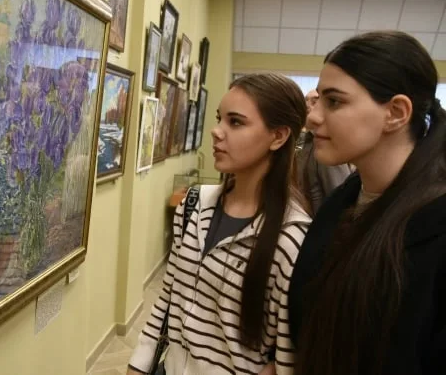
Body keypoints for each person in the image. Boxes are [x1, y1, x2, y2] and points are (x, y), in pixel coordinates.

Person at [127, 73, 311, 375]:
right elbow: (168, 297)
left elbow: (287, 355)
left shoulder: (292, 237)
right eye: (219, 119)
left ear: (278, 136)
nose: (216, 131)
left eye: (235, 122)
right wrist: (138, 365)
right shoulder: (194, 203)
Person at [289, 31, 446, 375]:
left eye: (334, 102)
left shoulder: (435, 226)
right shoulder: (344, 201)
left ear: (396, 112)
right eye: (318, 100)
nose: (312, 117)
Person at [296, 89, 353, 214]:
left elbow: (340, 200)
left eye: (314, 102)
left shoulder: (327, 145)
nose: (307, 106)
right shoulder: (306, 141)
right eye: (306, 101)